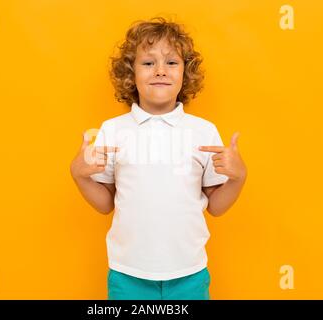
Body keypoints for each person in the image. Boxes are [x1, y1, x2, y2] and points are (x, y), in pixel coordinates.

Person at [70, 17, 247, 300]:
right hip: (127, 273)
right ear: (131, 73)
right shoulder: (112, 130)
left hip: (189, 272)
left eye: (172, 63)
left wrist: (239, 178)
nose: (160, 71)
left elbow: (216, 206)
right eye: (148, 63)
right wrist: (79, 175)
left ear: (185, 73)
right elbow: (105, 204)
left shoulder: (203, 131)